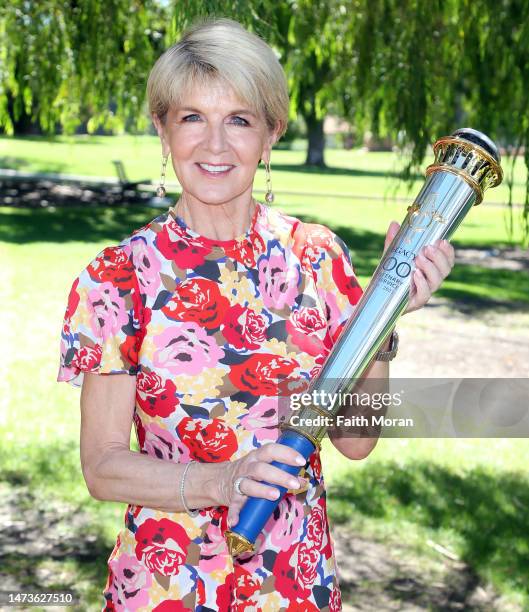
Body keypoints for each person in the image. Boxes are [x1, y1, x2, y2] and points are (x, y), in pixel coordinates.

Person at [57, 17, 455, 612]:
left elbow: (354, 439)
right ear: (162, 129)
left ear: (271, 133)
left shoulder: (319, 259)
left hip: (295, 585)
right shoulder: (118, 277)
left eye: (238, 120)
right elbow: (103, 466)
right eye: (192, 117)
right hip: (165, 588)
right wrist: (222, 481)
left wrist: (385, 315)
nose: (215, 144)